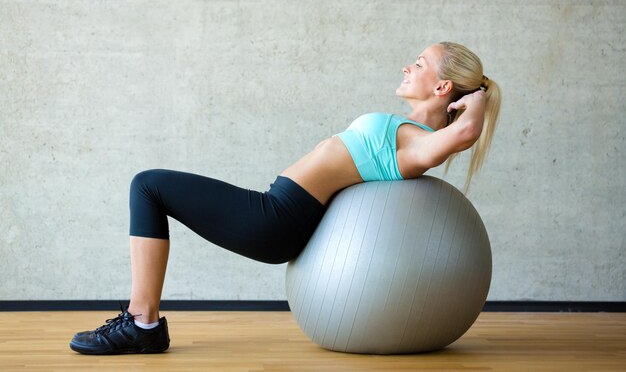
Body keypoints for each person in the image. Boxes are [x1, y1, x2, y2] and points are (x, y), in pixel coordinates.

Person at [69, 41, 501, 355]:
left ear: (443, 88)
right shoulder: (412, 135)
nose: (408, 66)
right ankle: (141, 321)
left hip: (276, 218)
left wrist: (478, 98)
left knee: (148, 184)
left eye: (420, 63)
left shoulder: (417, 143)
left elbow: (464, 132)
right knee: (149, 185)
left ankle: (141, 321)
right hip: (278, 208)